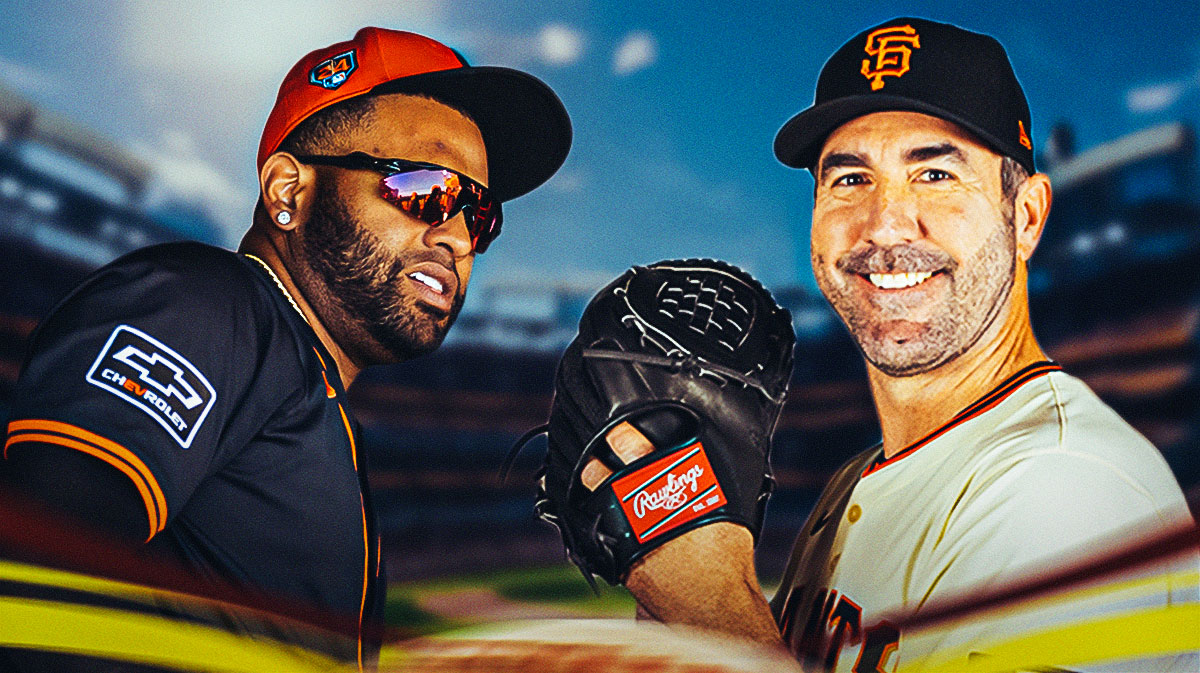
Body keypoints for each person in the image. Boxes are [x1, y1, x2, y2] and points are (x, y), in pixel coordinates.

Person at [582, 17, 1195, 671]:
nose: (884, 223)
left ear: (1028, 216)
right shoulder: (857, 481)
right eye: (850, 180)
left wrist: (715, 607)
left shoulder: (1072, 493)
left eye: (935, 174)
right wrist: (676, 605)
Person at [0, 26, 570, 670]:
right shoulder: (207, 304)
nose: (460, 239)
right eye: (427, 191)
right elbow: (31, 580)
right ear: (287, 192)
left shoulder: (312, 395)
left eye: (481, 216)